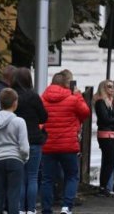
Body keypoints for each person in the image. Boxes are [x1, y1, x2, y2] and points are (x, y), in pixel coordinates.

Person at [41, 71, 91, 214]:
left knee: (47, 179)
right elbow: (85, 112)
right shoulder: (73, 99)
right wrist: (78, 95)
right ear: (66, 84)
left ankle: (46, 209)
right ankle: (66, 206)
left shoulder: (42, 99)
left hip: (48, 145)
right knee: (72, 175)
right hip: (68, 145)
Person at [0, 88, 29, 214]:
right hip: (15, 160)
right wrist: (24, 158)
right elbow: (24, 147)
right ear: (15, 103)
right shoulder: (19, 121)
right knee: (14, 196)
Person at [12, 67, 48, 213]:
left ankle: (20, 209)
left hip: (15, 141)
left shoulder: (13, 96)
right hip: (33, 140)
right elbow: (44, 116)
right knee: (32, 176)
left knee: (20, 177)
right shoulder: (33, 96)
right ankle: (31, 209)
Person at [93, 80, 114, 197]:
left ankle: (104, 187)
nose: (112, 89)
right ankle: (103, 187)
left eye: (112, 87)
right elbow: (105, 119)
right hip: (105, 135)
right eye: (109, 87)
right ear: (103, 88)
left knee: (110, 161)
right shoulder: (100, 102)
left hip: (110, 134)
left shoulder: (109, 103)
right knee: (110, 161)